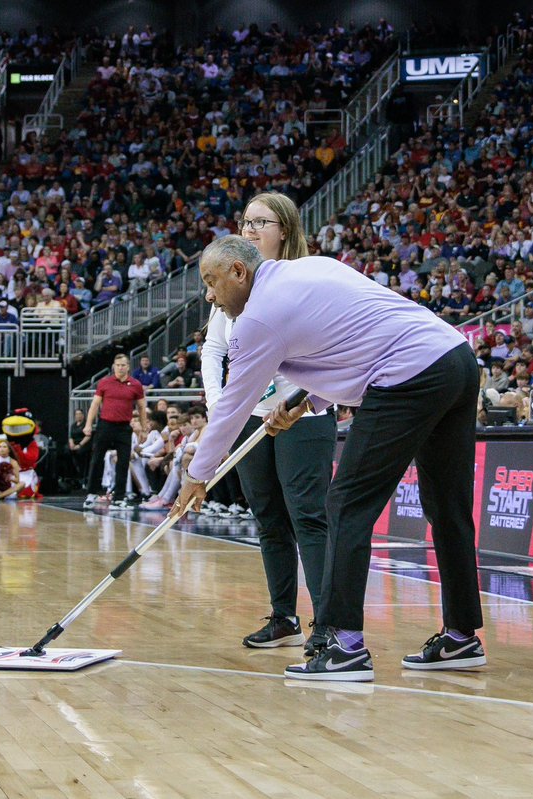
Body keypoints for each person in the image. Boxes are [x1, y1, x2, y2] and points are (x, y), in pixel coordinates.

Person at [174, 237, 485, 682]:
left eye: (210, 282)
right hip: (455, 359)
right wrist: (306, 401)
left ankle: (343, 645)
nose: (209, 295)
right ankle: (461, 636)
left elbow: (232, 407)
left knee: (345, 503)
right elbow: (354, 336)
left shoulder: (256, 317)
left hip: (407, 375)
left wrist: (197, 473)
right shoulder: (310, 269)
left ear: (239, 272)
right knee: (448, 509)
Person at [203, 192, 335, 654]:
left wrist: (299, 401)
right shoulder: (231, 281)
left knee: (308, 518)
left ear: (285, 229)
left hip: (304, 414)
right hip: (249, 418)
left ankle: (329, 625)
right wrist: (224, 409)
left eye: (262, 221)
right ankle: (284, 616)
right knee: (268, 520)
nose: (251, 229)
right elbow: (213, 350)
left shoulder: (305, 277)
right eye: (246, 221)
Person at [82, 353, 148, 510]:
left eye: (123, 365)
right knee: (97, 459)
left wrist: (143, 428)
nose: (120, 368)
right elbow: (95, 405)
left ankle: (119, 497)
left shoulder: (136, 384)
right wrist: (88, 424)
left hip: (124, 427)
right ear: (114, 366)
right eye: (117, 365)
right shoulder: (105, 382)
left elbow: (141, 408)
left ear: (128, 366)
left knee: (123, 461)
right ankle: (92, 493)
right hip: (105, 425)